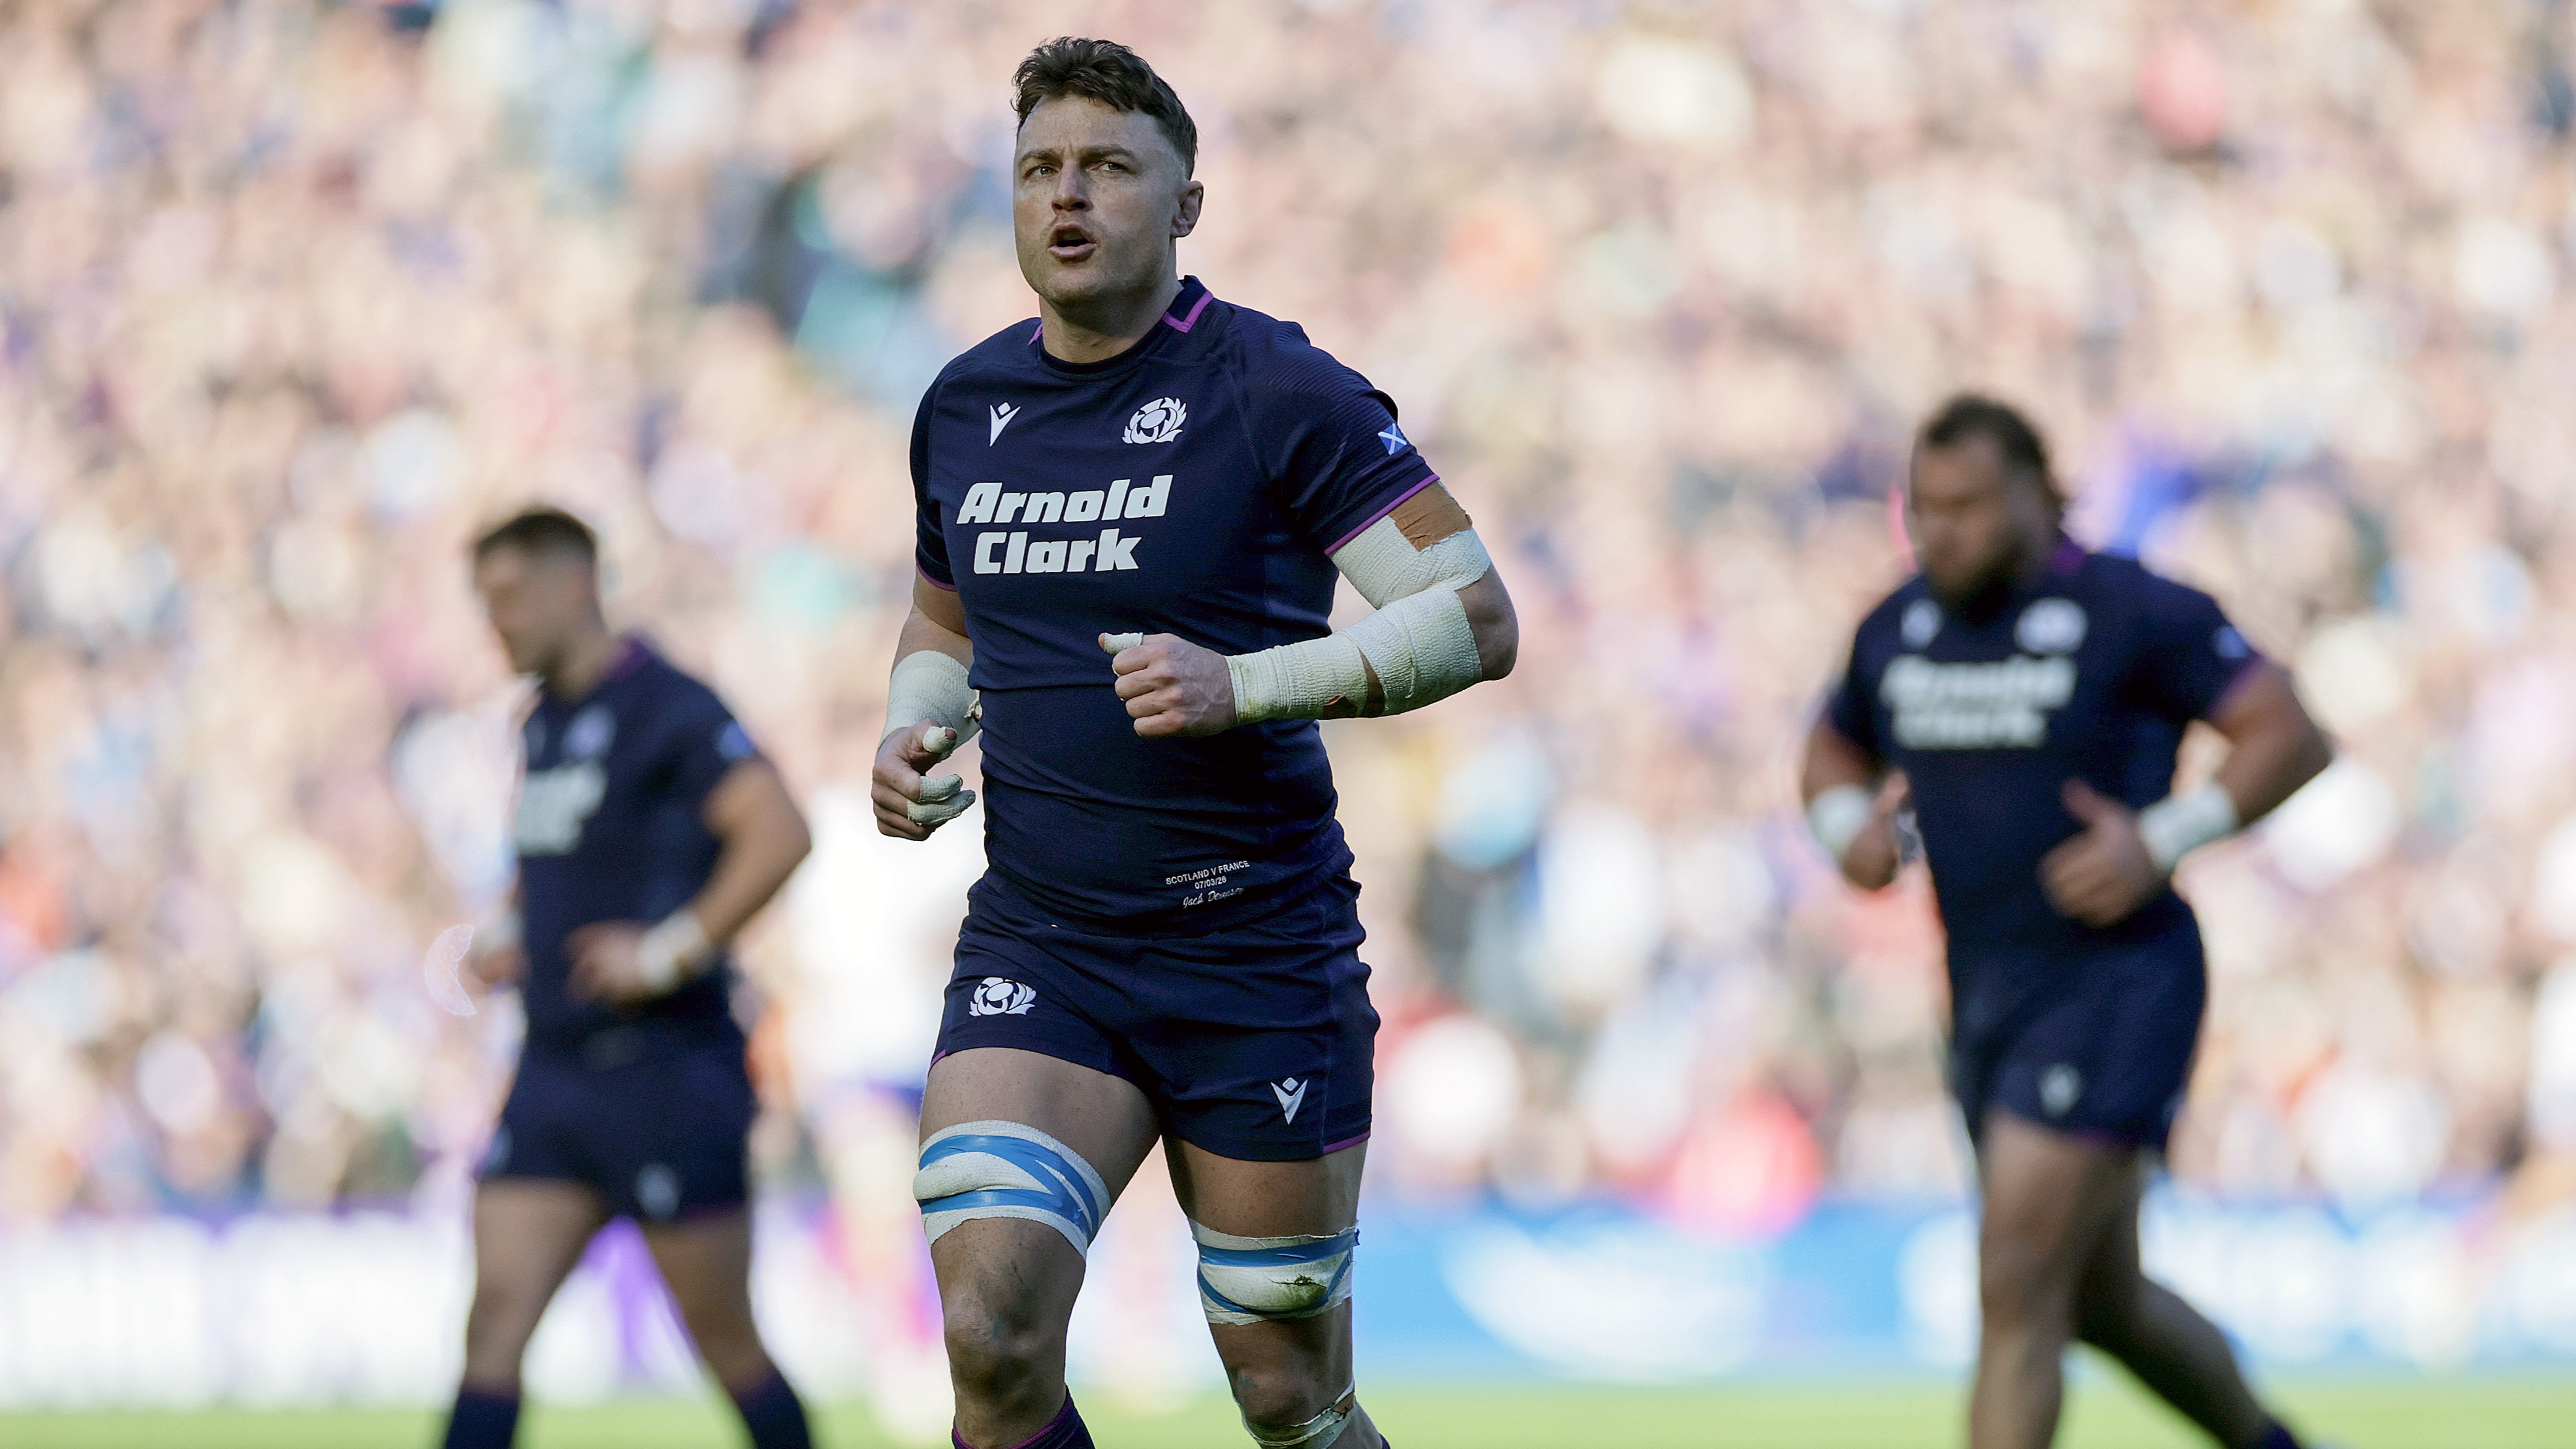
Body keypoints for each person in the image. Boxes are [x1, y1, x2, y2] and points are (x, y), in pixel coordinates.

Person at [872, 36, 1517, 1449]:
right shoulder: (965, 408)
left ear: (1185, 205)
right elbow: (944, 621)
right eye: (1040, 167)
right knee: (989, 1340)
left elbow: (1475, 618)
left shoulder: (1279, 390)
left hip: (1254, 953)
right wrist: (913, 731)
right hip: (1042, 945)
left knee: (1287, 1398)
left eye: (1108, 167)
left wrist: (1249, 684)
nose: (1067, 196)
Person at [1800, 398, 2334, 1449]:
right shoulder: (1898, 626)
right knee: (2100, 1304)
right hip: (1986, 993)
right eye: (1924, 507)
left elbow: (2289, 733)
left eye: (1967, 506)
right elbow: (1831, 748)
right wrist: (1843, 832)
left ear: (2042, 498)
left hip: (2114, 983)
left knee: (2012, 1282)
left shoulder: (2133, 610)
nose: (1940, 530)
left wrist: (2163, 837)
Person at [441, 507, 816, 1449]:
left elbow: (778, 832)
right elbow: (557, 859)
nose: (499, 623)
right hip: (553, 1070)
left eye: (512, 598)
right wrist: (511, 929)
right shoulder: (541, 723)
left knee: (725, 1342)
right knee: (493, 1328)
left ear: (576, 585)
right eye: (486, 604)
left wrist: (667, 950)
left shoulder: (672, 706)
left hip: (666, 1069)